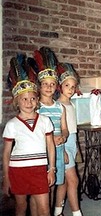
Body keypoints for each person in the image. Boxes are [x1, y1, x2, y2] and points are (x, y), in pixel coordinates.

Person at [2, 54, 56, 216]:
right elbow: (6, 154)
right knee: (21, 207)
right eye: (24, 99)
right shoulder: (12, 125)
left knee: (44, 209)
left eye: (32, 98)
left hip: (39, 170)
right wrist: (6, 177)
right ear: (17, 102)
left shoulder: (45, 121)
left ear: (37, 100)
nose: (29, 102)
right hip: (18, 171)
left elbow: (50, 146)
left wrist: (51, 169)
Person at [33, 47, 69, 214]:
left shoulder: (60, 107)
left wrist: (63, 136)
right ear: (39, 86)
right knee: (41, 189)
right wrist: (49, 141)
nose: (49, 87)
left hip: (58, 151)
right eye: (45, 84)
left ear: (57, 87)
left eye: (52, 84)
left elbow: (65, 129)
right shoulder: (36, 107)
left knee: (53, 184)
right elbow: (33, 132)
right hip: (42, 152)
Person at [54, 63, 83, 216]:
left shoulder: (71, 103)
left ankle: (58, 212)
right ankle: (76, 213)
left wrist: (74, 147)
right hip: (63, 145)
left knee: (64, 182)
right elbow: (59, 130)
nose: (71, 89)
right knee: (73, 181)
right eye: (67, 86)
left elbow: (72, 128)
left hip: (72, 142)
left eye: (73, 86)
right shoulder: (58, 105)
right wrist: (63, 150)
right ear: (60, 86)